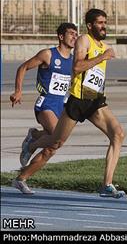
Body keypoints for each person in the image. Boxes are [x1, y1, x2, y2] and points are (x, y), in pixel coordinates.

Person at [20, 9, 126, 198]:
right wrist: (103, 57)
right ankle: (31, 143)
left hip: (95, 100)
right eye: (100, 23)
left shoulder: (103, 46)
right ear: (90, 25)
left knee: (118, 134)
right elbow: (77, 67)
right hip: (74, 101)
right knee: (55, 142)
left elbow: (92, 74)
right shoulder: (83, 41)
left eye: (105, 22)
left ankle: (107, 185)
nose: (104, 26)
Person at [10, 23, 78, 194]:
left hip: (62, 105)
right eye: (71, 33)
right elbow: (23, 67)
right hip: (46, 103)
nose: (74, 37)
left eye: (76, 34)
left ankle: (21, 179)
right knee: (57, 137)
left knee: (52, 148)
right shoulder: (48, 54)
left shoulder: (74, 60)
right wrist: (18, 91)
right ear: (61, 36)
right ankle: (32, 143)